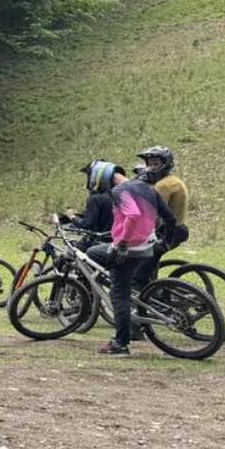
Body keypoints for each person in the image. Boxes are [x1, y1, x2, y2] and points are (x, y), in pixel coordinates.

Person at [81, 161, 178, 356]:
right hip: (147, 247)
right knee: (97, 255)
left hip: (129, 249)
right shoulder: (147, 188)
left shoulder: (120, 191)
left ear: (101, 178)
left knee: (118, 294)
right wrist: (165, 242)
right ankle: (114, 282)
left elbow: (132, 215)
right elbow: (170, 218)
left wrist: (122, 243)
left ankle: (120, 343)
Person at [63, 161, 116, 241]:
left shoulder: (95, 198)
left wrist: (72, 217)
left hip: (100, 239)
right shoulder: (117, 194)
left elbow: (87, 224)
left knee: (73, 248)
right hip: (116, 238)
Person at [137, 146, 188, 223]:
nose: (152, 168)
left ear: (165, 164)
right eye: (150, 165)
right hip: (177, 225)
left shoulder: (163, 185)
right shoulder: (173, 180)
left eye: (156, 164)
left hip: (166, 228)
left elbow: (154, 217)